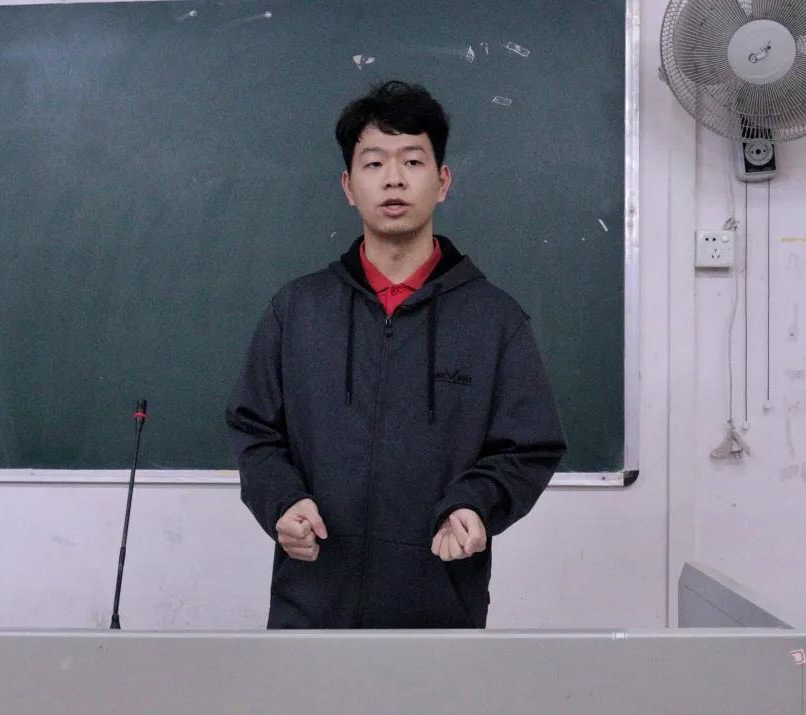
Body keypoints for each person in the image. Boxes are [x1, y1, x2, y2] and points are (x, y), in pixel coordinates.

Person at [226, 80, 566, 629]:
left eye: (412, 160)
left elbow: (529, 446)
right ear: (348, 185)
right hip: (311, 608)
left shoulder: (494, 320)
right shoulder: (297, 310)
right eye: (374, 163)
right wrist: (282, 501)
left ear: (442, 181)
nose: (394, 179)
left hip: (439, 613)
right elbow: (254, 430)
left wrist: (476, 504)